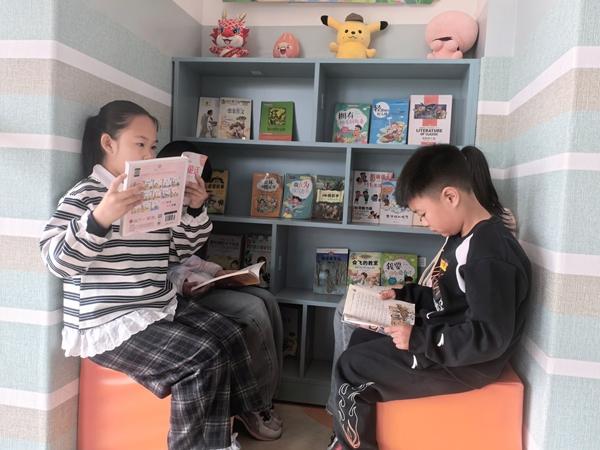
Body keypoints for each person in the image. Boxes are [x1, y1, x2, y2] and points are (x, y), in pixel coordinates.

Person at [39, 100, 263, 450]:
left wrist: (194, 210)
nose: (148, 154)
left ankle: (229, 428)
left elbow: (177, 251)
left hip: (155, 305)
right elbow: (57, 262)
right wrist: (100, 218)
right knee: (203, 356)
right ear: (108, 143)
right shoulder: (86, 195)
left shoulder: (151, 191)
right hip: (109, 320)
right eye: (140, 144)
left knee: (232, 334)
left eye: (153, 146)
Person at [327, 144, 531, 450]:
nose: (424, 223)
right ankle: (355, 433)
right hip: (446, 342)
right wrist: (404, 294)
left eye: (423, 213)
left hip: (464, 364)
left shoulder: (489, 255)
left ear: (450, 197)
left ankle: (351, 445)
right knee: (360, 338)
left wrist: (419, 340)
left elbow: (489, 337)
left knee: (352, 367)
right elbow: (446, 298)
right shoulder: (462, 238)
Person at [158, 141, 284, 441]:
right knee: (252, 311)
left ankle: (268, 396)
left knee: (266, 298)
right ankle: (254, 406)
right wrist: (185, 283)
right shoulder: (154, 207)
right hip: (176, 294)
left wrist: (217, 272)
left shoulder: (190, 208)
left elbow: (186, 257)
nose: (190, 191)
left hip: (195, 284)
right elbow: (158, 264)